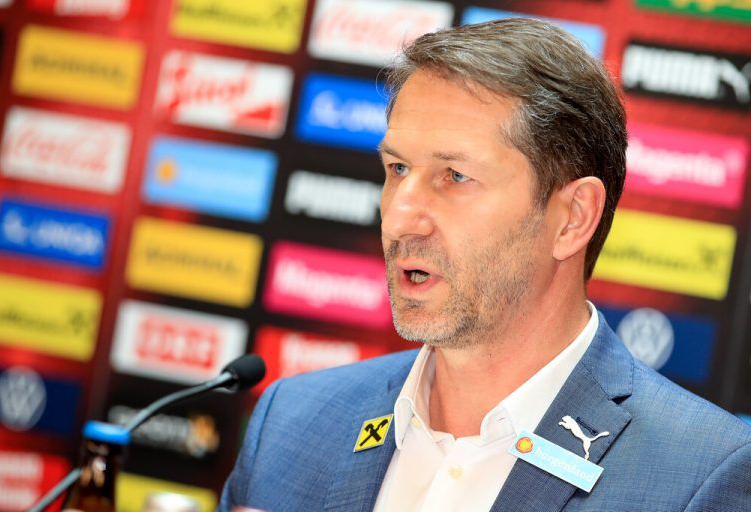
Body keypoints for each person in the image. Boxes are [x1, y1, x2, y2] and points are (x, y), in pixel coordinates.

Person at [219, 18, 751, 511]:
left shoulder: (703, 475)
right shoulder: (290, 423)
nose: (402, 215)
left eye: (454, 176)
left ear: (571, 217)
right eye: (397, 168)